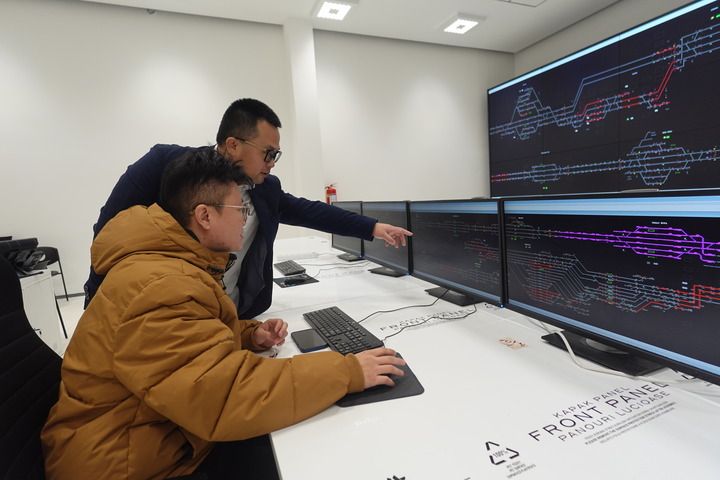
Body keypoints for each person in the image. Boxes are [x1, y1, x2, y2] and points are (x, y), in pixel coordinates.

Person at [42, 150, 405, 479]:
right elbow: (228, 396)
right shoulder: (159, 286)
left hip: (150, 437)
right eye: (240, 210)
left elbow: (186, 347)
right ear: (204, 216)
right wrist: (347, 372)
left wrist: (247, 334)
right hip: (123, 464)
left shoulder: (170, 264)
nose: (246, 219)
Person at [84, 98, 412, 318]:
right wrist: (99, 308)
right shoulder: (165, 166)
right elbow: (111, 236)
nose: (273, 162)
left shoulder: (265, 188)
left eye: (277, 154)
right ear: (232, 145)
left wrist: (373, 227)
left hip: (232, 317)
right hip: (166, 316)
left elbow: (309, 211)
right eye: (268, 153)